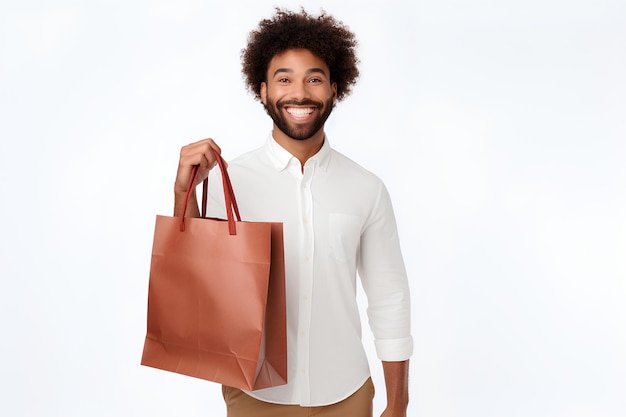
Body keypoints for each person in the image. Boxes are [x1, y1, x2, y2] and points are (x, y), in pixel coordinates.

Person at [173, 8, 412, 417]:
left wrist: (398, 403)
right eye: (284, 79)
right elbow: (196, 282)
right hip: (255, 398)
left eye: (314, 79)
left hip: (348, 395)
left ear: (334, 89)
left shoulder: (366, 188)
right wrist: (183, 192)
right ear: (263, 90)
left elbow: (389, 298)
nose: (299, 93)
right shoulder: (231, 184)